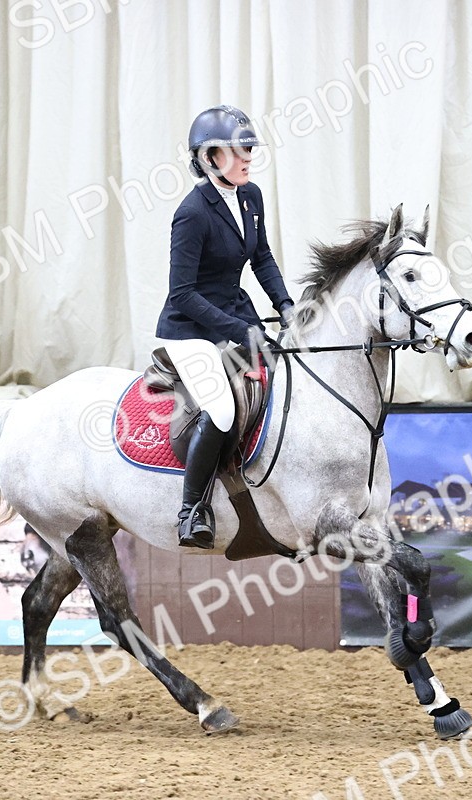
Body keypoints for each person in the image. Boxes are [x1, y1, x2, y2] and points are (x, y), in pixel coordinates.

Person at [156, 105, 295, 549]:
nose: (248, 157)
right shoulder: (192, 213)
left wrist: (287, 306)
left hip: (236, 316)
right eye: (240, 150)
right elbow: (182, 294)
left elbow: (263, 259)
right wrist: (240, 331)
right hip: (190, 329)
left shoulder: (250, 197)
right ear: (211, 156)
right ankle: (191, 511)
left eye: (250, 149)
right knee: (222, 408)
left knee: (288, 378)